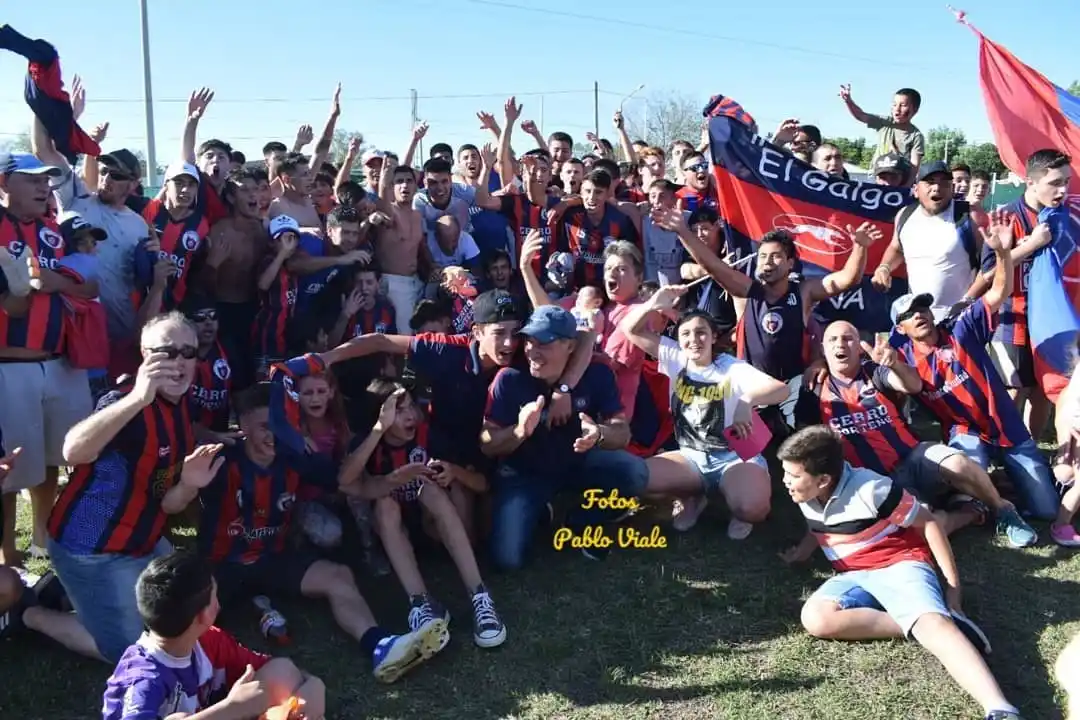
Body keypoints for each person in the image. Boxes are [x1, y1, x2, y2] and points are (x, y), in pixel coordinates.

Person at [196, 383, 444, 683]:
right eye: (264, 426)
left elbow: (355, 485)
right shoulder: (219, 461)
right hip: (223, 565)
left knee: (338, 575)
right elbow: (172, 504)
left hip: (273, 558)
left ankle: (380, 646)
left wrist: (393, 479)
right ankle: (193, 674)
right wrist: (186, 485)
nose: (273, 434)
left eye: (279, 424)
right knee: (191, 608)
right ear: (243, 425)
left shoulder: (294, 457)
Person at [777, 426, 1024, 720]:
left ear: (824, 480)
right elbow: (820, 523)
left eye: (792, 476)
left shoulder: (873, 489)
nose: (784, 481)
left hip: (900, 565)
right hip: (852, 575)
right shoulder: (805, 494)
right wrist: (802, 552)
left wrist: (953, 591)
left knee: (932, 625)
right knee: (815, 619)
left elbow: (929, 524)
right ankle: (927, 624)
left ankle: (1000, 708)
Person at [34, 313, 215, 662]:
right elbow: (72, 450)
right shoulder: (125, 401)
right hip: (92, 549)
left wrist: (191, 484)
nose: (178, 361)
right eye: (167, 351)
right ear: (146, 355)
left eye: (187, 352)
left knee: (191, 612)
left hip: (142, 540)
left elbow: (167, 504)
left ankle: (62, 592)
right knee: (132, 651)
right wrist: (137, 398)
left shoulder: (179, 406)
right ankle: (31, 613)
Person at [797, 320, 1037, 546]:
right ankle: (969, 511)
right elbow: (805, 440)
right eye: (833, 340)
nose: (840, 344)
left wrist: (895, 364)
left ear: (860, 347)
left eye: (848, 338)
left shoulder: (874, 371)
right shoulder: (814, 388)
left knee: (959, 463)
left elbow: (913, 385)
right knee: (921, 531)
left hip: (914, 455)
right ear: (823, 349)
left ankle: (1002, 509)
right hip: (878, 480)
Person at [328, 289, 594, 485]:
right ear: (477, 332)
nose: (509, 343)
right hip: (448, 448)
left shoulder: (527, 350)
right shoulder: (447, 349)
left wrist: (564, 389)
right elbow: (380, 341)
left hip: (502, 450)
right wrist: (325, 358)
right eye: (499, 333)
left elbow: (585, 336)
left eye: (515, 333)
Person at [892, 213, 1058, 524]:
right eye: (910, 314)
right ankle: (987, 493)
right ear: (900, 329)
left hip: (1006, 424)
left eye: (923, 308)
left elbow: (998, 293)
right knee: (964, 470)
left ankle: (1006, 481)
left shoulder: (960, 329)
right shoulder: (903, 361)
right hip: (966, 434)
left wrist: (1003, 253)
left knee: (1047, 510)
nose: (920, 315)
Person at [651, 207, 881, 430]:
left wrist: (860, 247)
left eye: (775, 256)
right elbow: (712, 266)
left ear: (790, 263)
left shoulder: (804, 291)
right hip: (752, 387)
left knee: (801, 441)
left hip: (793, 385)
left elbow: (847, 279)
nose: (767, 262)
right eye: (762, 256)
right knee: (748, 449)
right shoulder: (746, 289)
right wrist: (683, 231)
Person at [338, 381, 505, 649]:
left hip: (435, 528)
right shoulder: (368, 443)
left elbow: (483, 484)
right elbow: (344, 481)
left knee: (431, 491)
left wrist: (453, 471)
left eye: (411, 407)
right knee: (384, 504)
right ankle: (422, 605)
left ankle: (480, 597)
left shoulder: (431, 437)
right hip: (395, 536)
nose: (410, 415)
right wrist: (379, 431)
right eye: (399, 410)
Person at [482, 305, 648, 569]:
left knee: (635, 472)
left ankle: (580, 518)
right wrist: (518, 431)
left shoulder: (596, 373)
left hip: (577, 463)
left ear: (570, 347)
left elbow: (622, 433)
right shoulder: (510, 378)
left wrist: (599, 434)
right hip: (525, 474)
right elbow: (486, 444)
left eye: (544, 343)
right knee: (507, 560)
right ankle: (541, 511)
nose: (531, 351)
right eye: (529, 341)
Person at [619, 286, 790, 536]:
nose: (693, 339)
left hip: (735, 456)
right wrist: (652, 304)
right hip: (691, 456)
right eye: (686, 333)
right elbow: (630, 329)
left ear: (713, 337)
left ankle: (738, 505)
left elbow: (781, 391)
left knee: (752, 508)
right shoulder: (675, 356)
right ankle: (693, 496)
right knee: (634, 478)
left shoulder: (730, 367)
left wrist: (746, 400)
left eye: (701, 333)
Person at [0, 152, 93, 566]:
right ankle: (9, 557)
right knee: (11, 469)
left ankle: (42, 538)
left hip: (61, 362)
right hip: (10, 368)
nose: (43, 187)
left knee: (54, 456)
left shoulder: (56, 231)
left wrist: (51, 282)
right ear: (5, 184)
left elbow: (89, 287)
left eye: (46, 180)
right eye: (31, 179)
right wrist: (21, 292)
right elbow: (14, 307)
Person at [101, 550, 326, 719]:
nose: (219, 604)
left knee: (282, 671)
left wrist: (313, 684)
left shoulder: (208, 641)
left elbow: (279, 671)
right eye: (215, 597)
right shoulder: (143, 680)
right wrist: (230, 708)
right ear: (202, 615)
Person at [971, 149, 1073, 434]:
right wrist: (1028, 246)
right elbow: (989, 275)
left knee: (1047, 390)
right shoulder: (1004, 217)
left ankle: (1034, 453)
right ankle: (1009, 456)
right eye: (1054, 182)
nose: (1062, 189)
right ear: (1031, 182)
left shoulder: (1065, 216)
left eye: (1066, 181)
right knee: (1015, 392)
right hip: (1013, 321)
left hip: (1051, 321)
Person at [872, 161, 982, 320]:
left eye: (944, 183)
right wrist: (884, 267)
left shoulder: (969, 216)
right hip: (918, 319)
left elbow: (990, 263)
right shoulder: (905, 215)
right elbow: (896, 248)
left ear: (951, 188)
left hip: (961, 319)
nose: (936, 188)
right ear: (916, 190)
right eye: (930, 182)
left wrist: (968, 300)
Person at [839, 85, 925, 174]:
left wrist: (905, 187)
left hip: (899, 182)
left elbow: (914, 167)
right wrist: (848, 101)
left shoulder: (916, 136)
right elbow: (861, 115)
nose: (897, 109)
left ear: (915, 110)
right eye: (894, 104)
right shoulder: (884, 123)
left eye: (903, 105)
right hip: (877, 178)